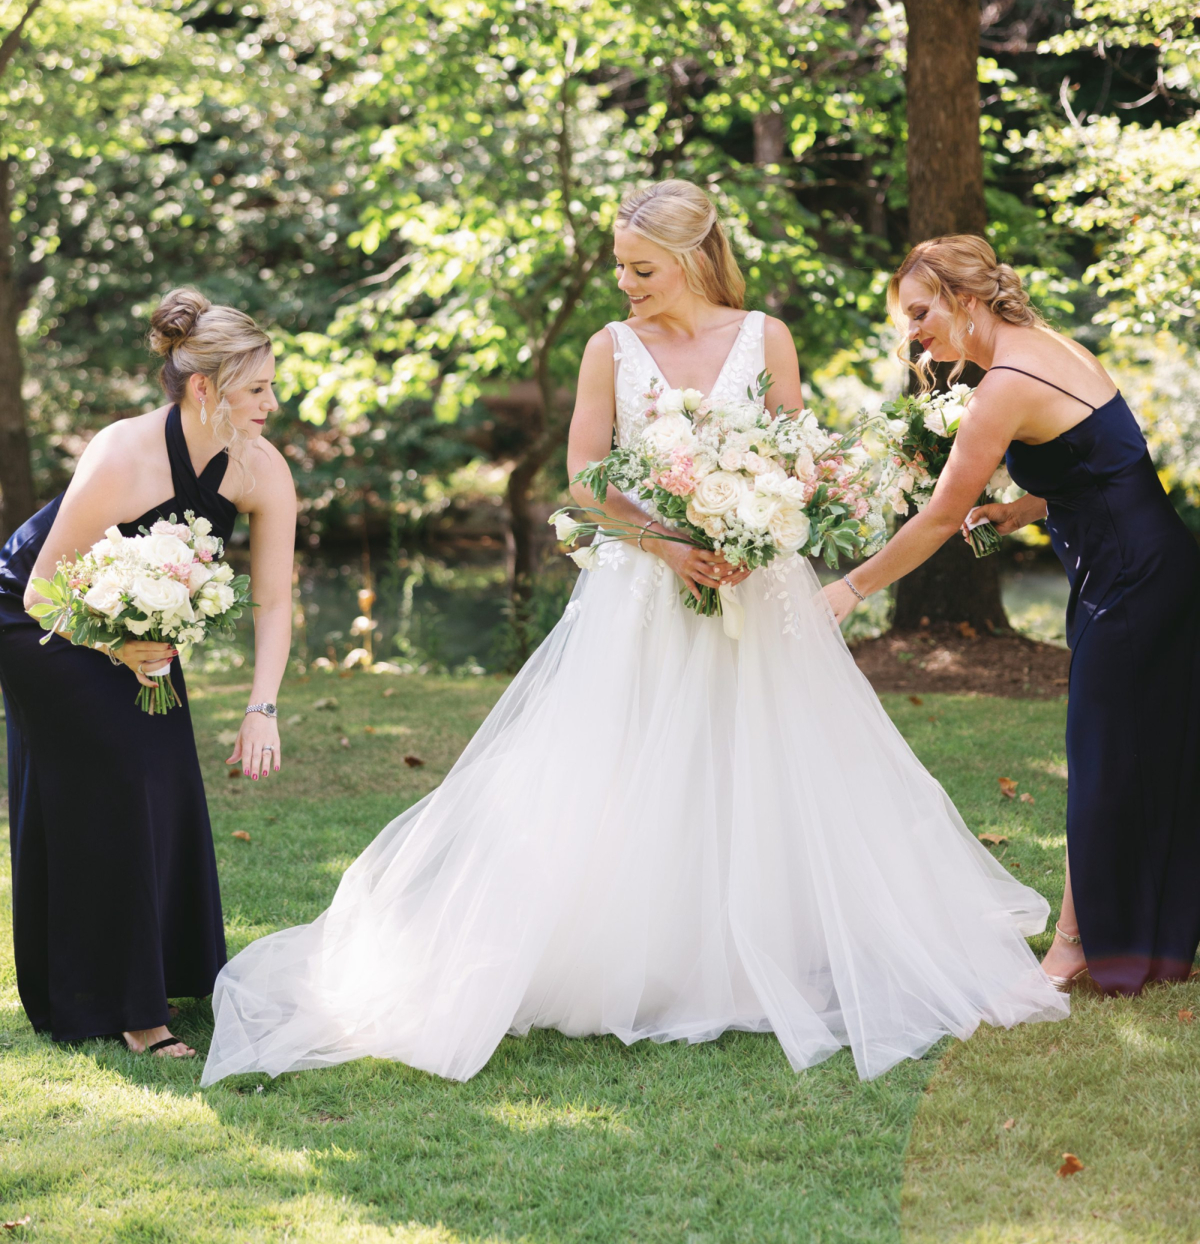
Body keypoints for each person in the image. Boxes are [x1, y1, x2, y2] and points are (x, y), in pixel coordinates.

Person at [202, 182, 1065, 1089]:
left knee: (762, 760)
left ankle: (760, 947)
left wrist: (756, 527)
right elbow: (581, 477)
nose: (626, 283)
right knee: (623, 767)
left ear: (692, 258)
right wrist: (665, 544)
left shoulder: (764, 335)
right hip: (643, 591)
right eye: (620, 266)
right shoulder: (609, 348)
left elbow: (794, 459)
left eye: (641, 268)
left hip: (753, 586)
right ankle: (640, 954)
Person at [826, 234, 1200, 995]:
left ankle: (1075, 945)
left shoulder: (1006, 382)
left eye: (921, 311)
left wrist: (850, 589)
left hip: (1132, 581)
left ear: (965, 298)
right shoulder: (1044, 345)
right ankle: (1147, 937)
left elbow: (936, 518)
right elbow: (1106, 462)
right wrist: (1021, 509)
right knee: (1144, 751)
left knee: (1100, 758)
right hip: (1148, 565)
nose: (914, 332)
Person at [0, 289, 296, 1057]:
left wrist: (261, 706)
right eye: (257, 387)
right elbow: (40, 590)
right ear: (206, 387)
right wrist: (113, 649)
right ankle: (138, 1012)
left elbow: (272, 599)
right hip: (39, 616)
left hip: (135, 628)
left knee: (164, 773)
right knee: (124, 773)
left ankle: (159, 969)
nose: (273, 401)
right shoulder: (122, 451)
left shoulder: (261, 469)